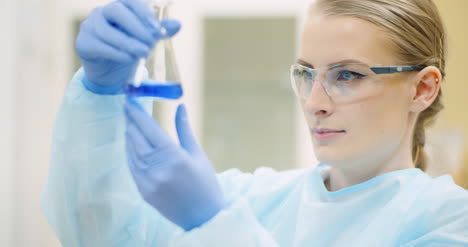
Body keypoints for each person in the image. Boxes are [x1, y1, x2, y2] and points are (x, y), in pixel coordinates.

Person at [42, 0, 468, 246]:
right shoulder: (252, 197)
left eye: (348, 75)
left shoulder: (448, 222)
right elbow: (101, 234)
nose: (314, 103)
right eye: (306, 74)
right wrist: (98, 93)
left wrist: (214, 224)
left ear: (422, 89)